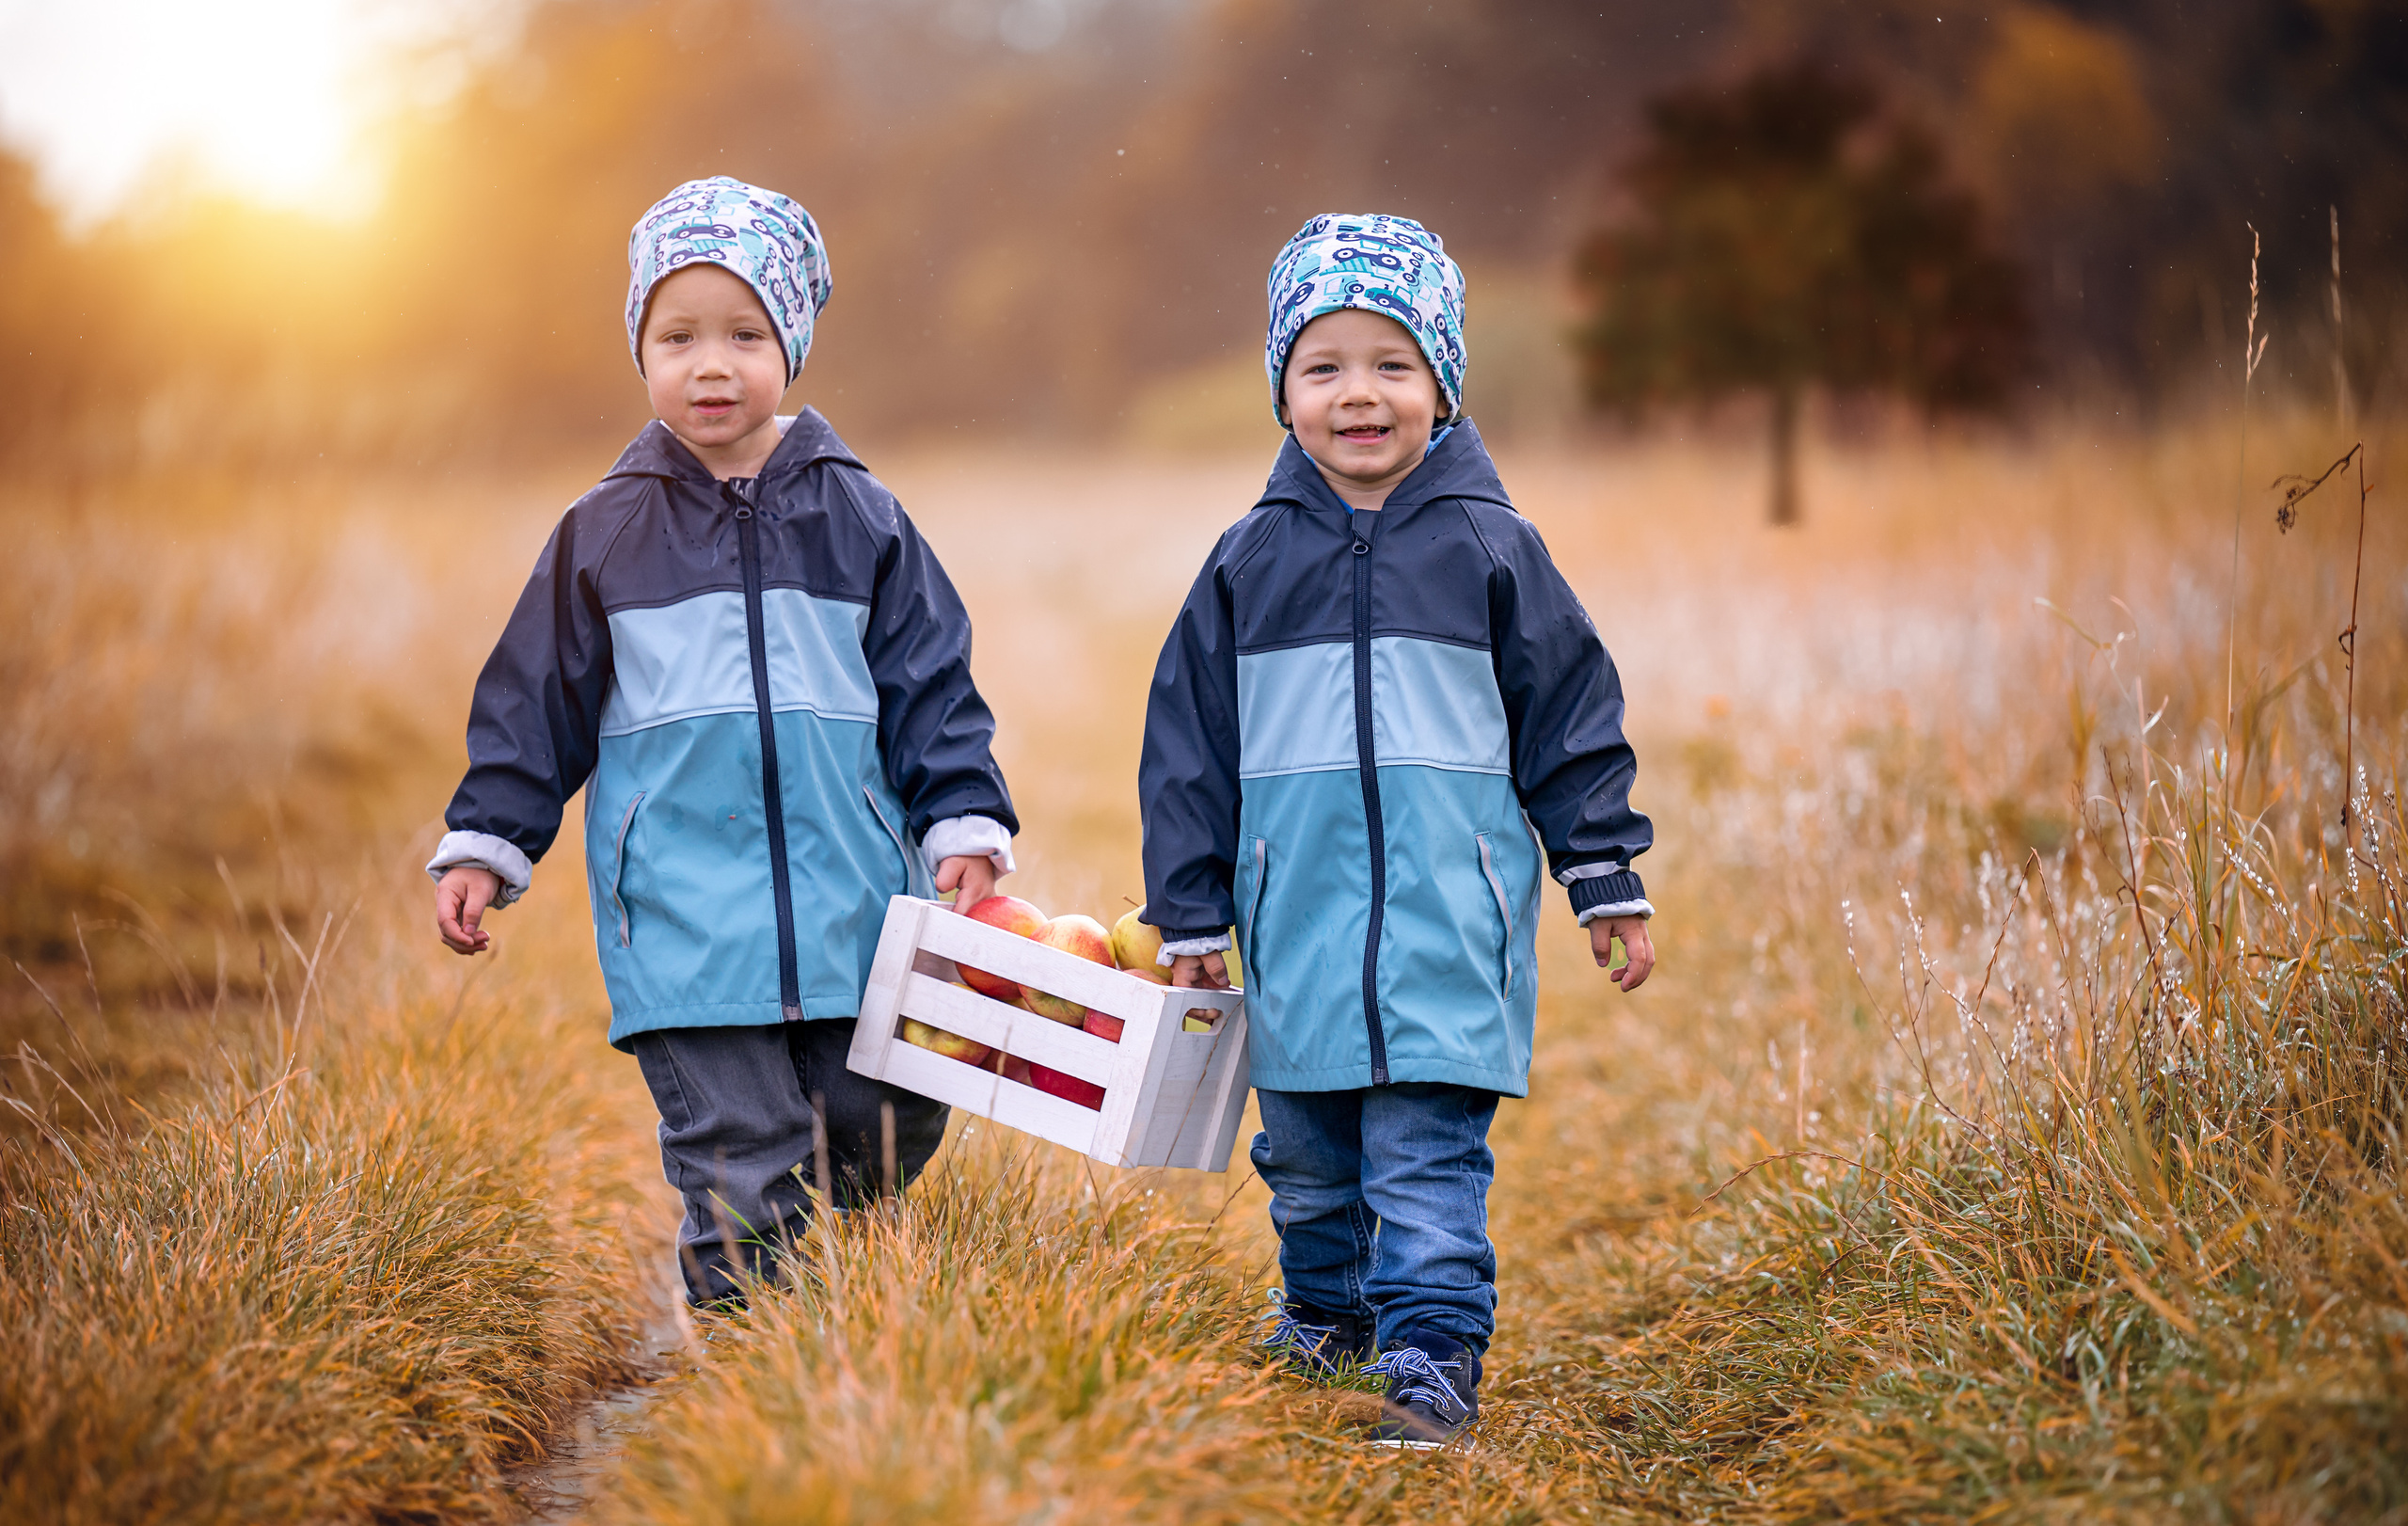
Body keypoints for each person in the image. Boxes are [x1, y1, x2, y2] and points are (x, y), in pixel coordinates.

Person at [425, 177, 1018, 1309]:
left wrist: (961, 816)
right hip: (686, 924)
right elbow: (532, 701)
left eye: (744, 334)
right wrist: (484, 842)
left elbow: (933, 684)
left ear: (790, 342)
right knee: (742, 1158)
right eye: (678, 335)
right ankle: (759, 1370)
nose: (711, 363)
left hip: (854, 906)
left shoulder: (861, 514)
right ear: (638, 347)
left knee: (881, 1117)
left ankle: (850, 1257)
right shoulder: (602, 532)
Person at [1138, 213, 1657, 1448]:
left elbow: (1570, 718)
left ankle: (1431, 1352)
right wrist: (1192, 910)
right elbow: (1190, 750)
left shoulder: (1493, 550)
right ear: (1283, 390)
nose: (1357, 395)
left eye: (1391, 365)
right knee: (1308, 1158)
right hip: (1298, 924)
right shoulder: (1246, 564)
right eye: (1323, 367)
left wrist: (1603, 874)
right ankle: (1322, 1313)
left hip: (1447, 922)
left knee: (1424, 1161)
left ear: (1443, 380)